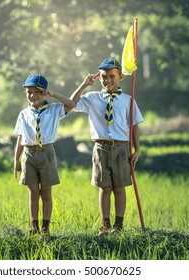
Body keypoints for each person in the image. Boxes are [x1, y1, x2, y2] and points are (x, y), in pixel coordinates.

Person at [70, 58, 144, 235]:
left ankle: (118, 226)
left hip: (121, 147)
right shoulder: (92, 98)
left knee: (119, 187)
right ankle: (105, 224)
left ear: (120, 77)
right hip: (101, 148)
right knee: (105, 188)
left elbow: (134, 126)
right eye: (103, 76)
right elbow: (71, 104)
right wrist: (84, 84)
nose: (107, 80)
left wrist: (137, 150)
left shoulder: (128, 101)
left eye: (111, 76)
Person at [14, 73, 75, 239]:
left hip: (47, 152)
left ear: (44, 93)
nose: (33, 96)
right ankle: (34, 227)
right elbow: (20, 137)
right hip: (28, 154)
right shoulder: (23, 114)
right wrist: (16, 159)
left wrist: (54, 95)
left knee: (46, 193)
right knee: (33, 192)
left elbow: (72, 104)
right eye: (29, 92)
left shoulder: (54, 110)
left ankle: (45, 229)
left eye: (37, 92)